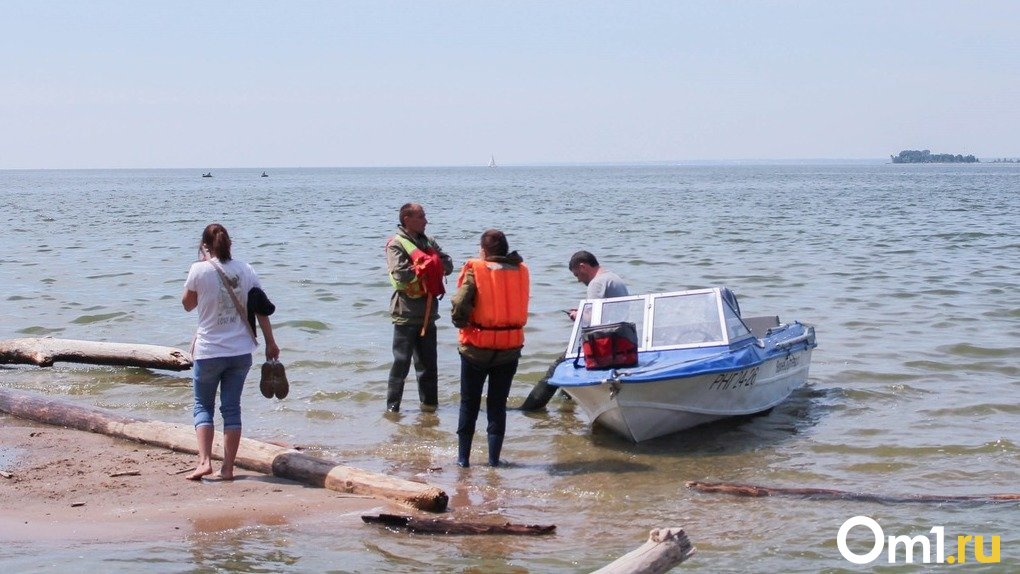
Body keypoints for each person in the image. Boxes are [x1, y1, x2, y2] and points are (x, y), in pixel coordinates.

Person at [181, 223, 279, 481]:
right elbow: (260, 308)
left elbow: (187, 305)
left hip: (209, 350)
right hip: (240, 351)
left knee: (203, 406)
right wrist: (270, 342)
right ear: (229, 244)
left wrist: (202, 263)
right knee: (231, 409)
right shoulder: (246, 270)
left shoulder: (198, 270)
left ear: (204, 246)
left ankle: (204, 462)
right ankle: (228, 468)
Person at [451, 229, 530, 467]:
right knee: (497, 405)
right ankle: (494, 460)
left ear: (483, 250)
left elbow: (460, 302)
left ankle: (463, 460)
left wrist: (460, 322)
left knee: (469, 403)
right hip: (509, 347)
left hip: (477, 346)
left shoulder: (476, 269)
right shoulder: (521, 270)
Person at [385, 203, 453, 413]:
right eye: (421, 217)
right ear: (407, 219)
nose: (426, 221)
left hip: (428, 313)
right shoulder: (396, 244)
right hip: (405, 314)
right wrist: (430, 267)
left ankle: (430, 411)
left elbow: (448, 265)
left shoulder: (429, 241)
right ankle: (392, 410)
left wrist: (431, 265)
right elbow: (401, 274)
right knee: (401, 364)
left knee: (428, 367)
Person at [566, 250, 629, 320]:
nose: (579, 280)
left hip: (611, 330)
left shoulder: (596, 283)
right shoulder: (613, 277)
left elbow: (593, 318)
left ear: (582, 267)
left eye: (577, 275)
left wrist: (577, 315)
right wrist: (583, 311)